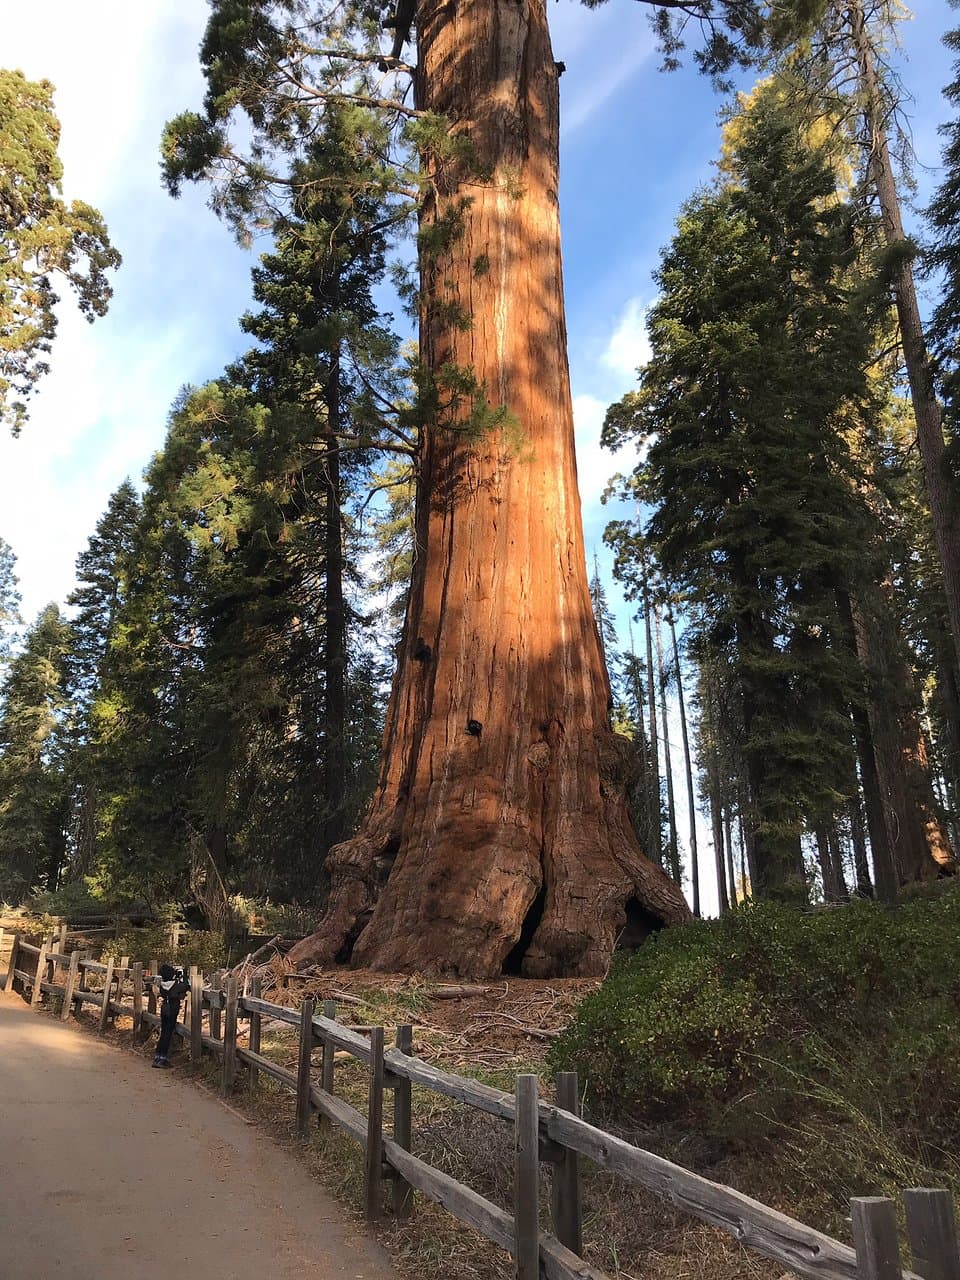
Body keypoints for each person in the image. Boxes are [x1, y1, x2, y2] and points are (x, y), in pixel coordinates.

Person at [153, 963, 189, 1068]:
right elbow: (185, 986)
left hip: (164, 1009)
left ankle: (158, 1057)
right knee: (168, 1034)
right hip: (172, 1010)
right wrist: (185, 974)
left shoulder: (163, 986)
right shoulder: (176, 986)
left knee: (163, 1032)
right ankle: (162, 1058)